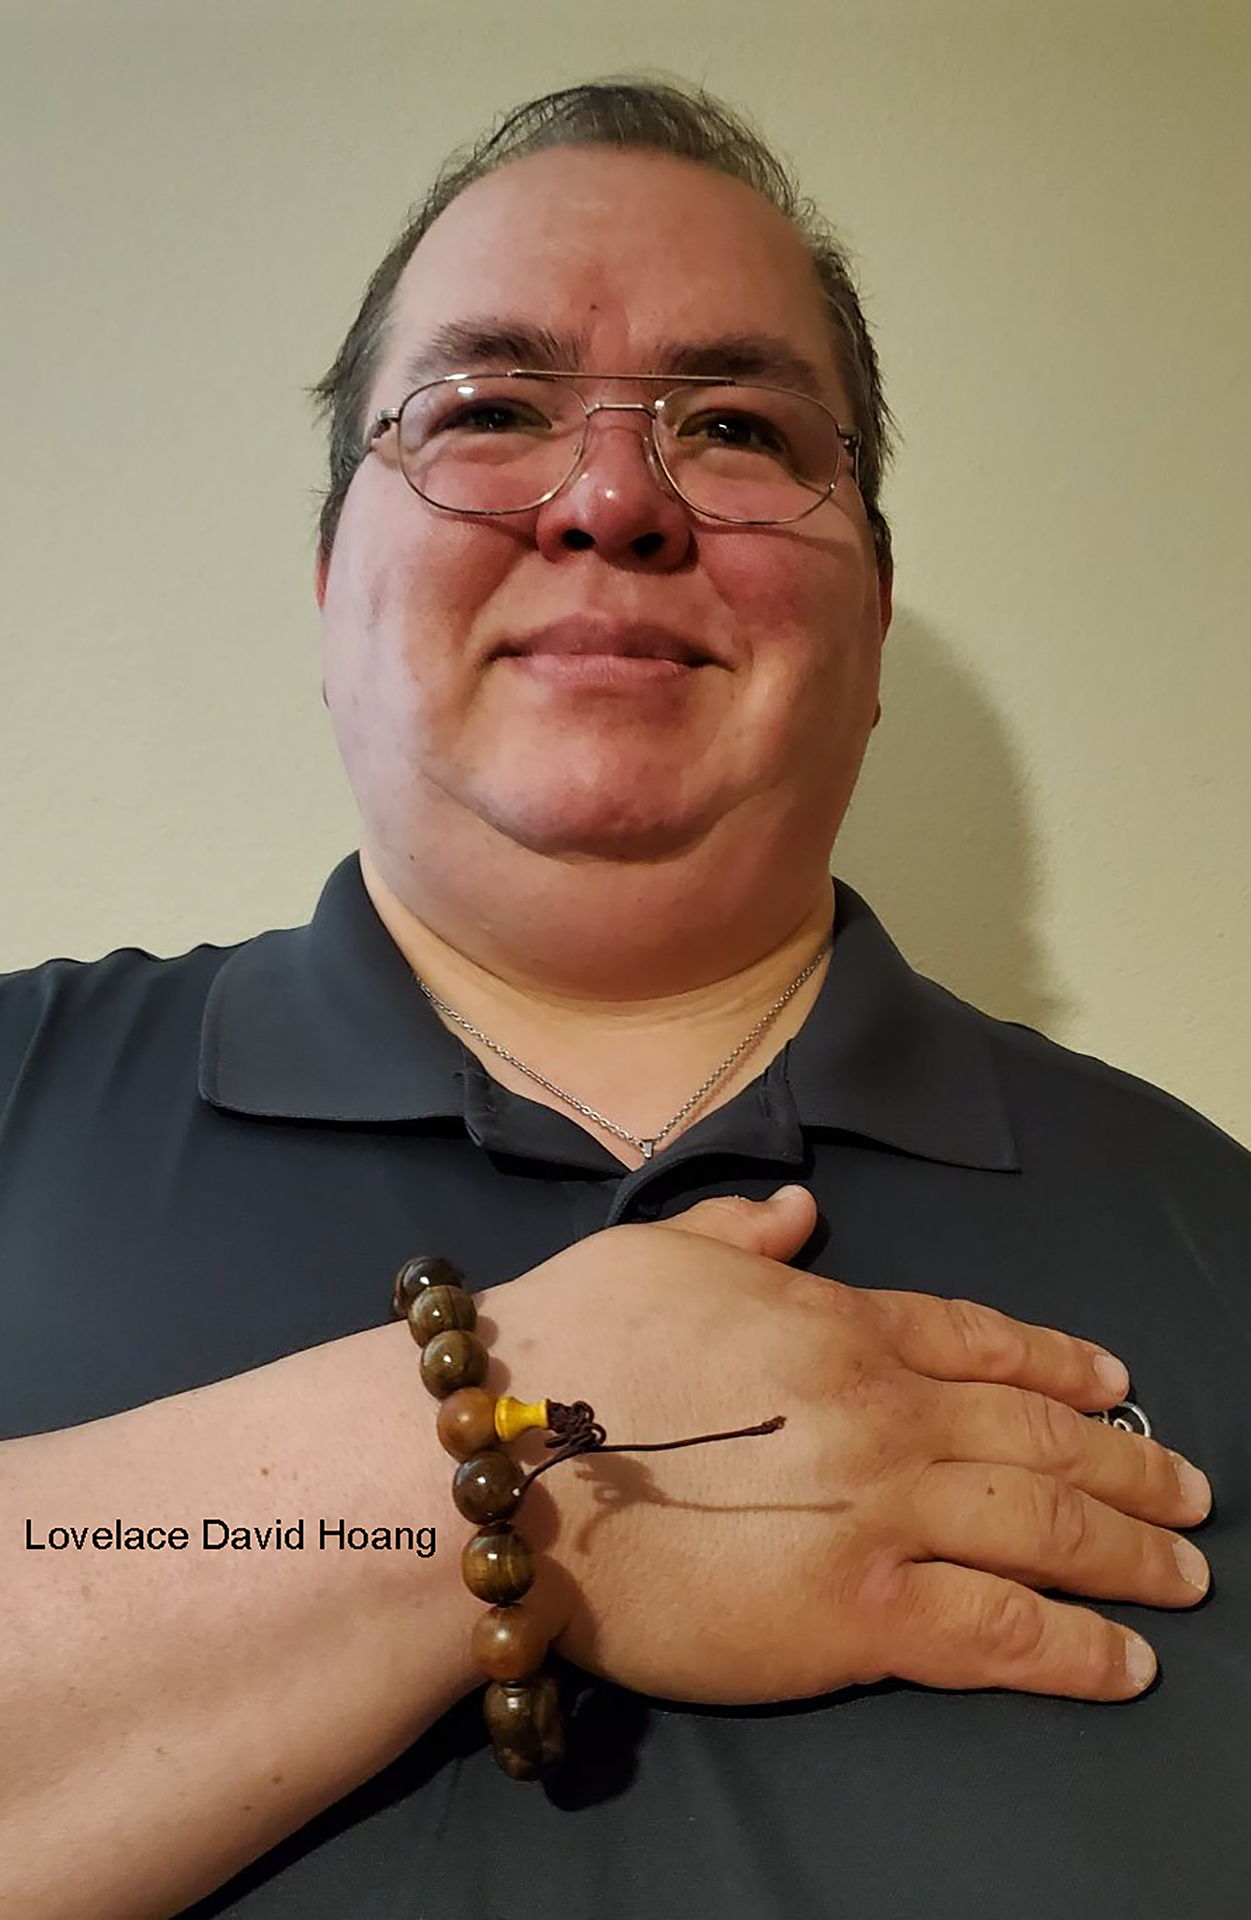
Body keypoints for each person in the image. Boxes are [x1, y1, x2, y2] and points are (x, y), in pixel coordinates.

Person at [1, 77, 1247, 1920]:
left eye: (733, 428)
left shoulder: (1215, 1228)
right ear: (332, 584)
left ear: (871, 620)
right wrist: (528, 1461)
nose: (609, 500)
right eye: (489, 411)